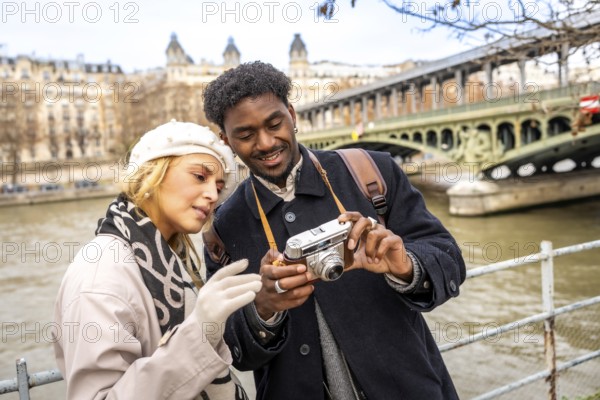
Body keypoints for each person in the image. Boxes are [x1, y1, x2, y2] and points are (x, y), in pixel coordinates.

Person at [202, 61, 467, 400]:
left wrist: (405, 265)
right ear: (226, 140)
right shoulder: (222, 226)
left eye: (275, 123)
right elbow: (232, 347)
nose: (266, 143)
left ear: (293, 115)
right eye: (246, 135)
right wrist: (264, 309)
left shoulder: (374, 172)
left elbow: (450, 261)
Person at [52, 120, 262, 400]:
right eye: (200, 177)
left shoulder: (168, 257)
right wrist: (199, 333)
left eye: (219, 185)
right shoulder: (100, 274)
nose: (213, 195)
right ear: (153, 173)